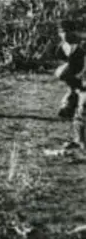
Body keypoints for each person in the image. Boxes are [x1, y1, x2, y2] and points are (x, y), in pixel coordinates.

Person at [54, 20, 85, 150]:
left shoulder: (83, 45)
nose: (65, 34)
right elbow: (70, 68)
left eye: (68, 31)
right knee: (72, 110)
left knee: (83, 107)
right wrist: (72, 89)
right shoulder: (62, 48)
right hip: (77, 81)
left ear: (74, 31)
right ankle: (79, 140)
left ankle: (81, 142)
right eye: (62, 32)